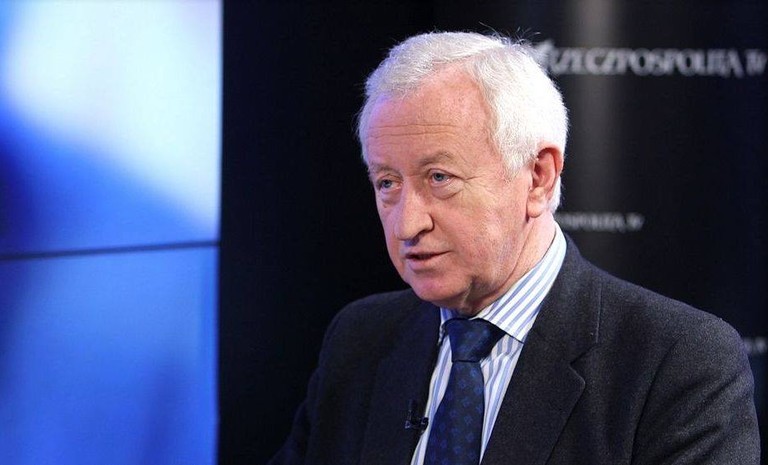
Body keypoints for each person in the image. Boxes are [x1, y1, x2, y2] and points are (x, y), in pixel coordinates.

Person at [268, 31, 759, 465]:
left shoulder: (677, 362)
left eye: (439, 178)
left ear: (538, 178)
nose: (407, 224)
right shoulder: (361, 339)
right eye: (387, 183)